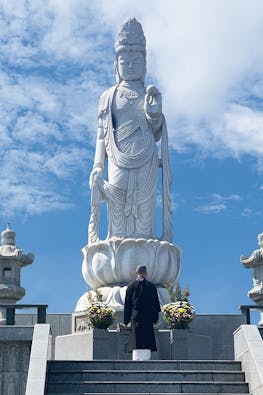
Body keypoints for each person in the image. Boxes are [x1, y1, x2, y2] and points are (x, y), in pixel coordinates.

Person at [88, 17, 172, 244]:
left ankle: (145, 241)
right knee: (118, 206)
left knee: (144, 211)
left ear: (145, 65)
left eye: (137, 60)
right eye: (126, 60)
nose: (132, 65)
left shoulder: (149, 93)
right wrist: (97, 166)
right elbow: (101, 135)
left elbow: (155, 132)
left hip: (146, 158)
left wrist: (154, 114)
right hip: (117, 157)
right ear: (116, 65)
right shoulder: (108, 96)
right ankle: (117, 242)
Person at [124, 264, 161, 360]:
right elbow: (155, 304)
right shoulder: (151, 286)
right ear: (146, 273)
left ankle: (136, 359)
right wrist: (155, 318)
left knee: (137, 339)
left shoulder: (131, 286)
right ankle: (146, 359)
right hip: (148, 317)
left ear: (136, 273)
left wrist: (126, 320)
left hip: (136, 316)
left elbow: (128, 305)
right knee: (147, 339)